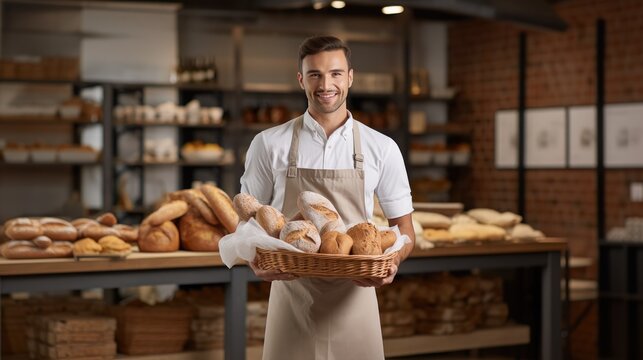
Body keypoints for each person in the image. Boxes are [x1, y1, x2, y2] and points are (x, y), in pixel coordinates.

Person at [240, 35, 415, 360]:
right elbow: (246, 223)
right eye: (315, 74)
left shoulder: (382, 148)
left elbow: (404, 229)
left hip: (356, 298)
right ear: (301, 79)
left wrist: (393, 262)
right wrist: (254, 260)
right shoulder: (268, 144)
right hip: (292, 295)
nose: (326, 84)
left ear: (350, 77)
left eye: (335, 73)